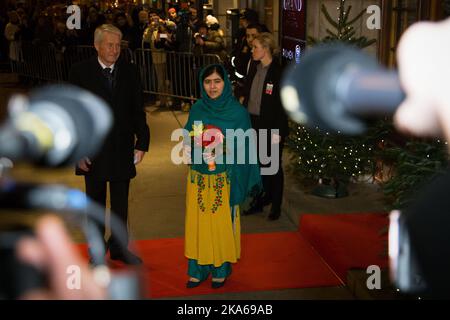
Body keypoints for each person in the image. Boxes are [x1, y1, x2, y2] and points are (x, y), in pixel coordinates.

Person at [69, 24, 150, 265]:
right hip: (92, 151)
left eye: (118, 45)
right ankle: (96, 252)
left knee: (120, 205)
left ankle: (119, 248)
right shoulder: (79, 71)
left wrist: (142, 142)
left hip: (122, 148)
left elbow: (138, 109)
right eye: (110, 45)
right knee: (94, 204)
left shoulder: (130, 70)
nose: (115, 50)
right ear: (97, 45)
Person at [183, 64, 262, 288]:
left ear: (225, 83)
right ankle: (197, 269)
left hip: (225, 179)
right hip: (199, 177)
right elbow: (191, 135)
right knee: (198, 223)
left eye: (217, 81)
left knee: (221, 224)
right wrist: (193, 147)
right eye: (207, 82)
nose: (212, 87)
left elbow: (246, 148)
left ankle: (220, 268)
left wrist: (223, 149)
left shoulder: (238, 113)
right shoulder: (198, 109)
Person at [240, 32, 289, 220]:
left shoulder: (279, 73)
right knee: (258, 167)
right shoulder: (254, 67)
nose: (252, 50)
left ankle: (275, 205)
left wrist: (279, 132)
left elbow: (284, 105)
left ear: (266, 49)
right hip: (253, 123)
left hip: (272, 126)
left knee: (273, 167)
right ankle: (260, 200)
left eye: (255, 48)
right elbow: (248, 93)